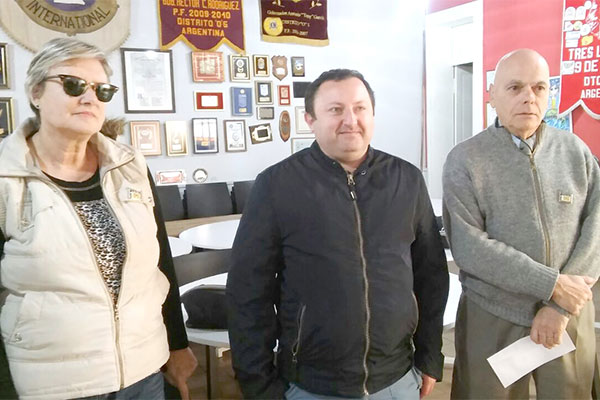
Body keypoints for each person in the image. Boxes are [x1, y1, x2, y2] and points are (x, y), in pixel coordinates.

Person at [227, 69, 449, 399]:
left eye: (360, 108)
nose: (350, 120)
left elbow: (431, 276)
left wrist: (429, 355)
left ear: (372, 115)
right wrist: (258, 385)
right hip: (310, 385)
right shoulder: (276, 186)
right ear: (310, 120)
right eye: (335, 110)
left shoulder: (407, 180)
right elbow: (247, 291)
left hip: (397, 380)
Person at [0, 38, 197, 399]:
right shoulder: (6, 176)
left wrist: (176, 343)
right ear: (35, 92)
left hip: (143, 371)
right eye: (74, 85)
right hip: (55, 383)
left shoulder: (130, 166)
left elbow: (159, 264)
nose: (90, 98)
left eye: (102, 90)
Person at [443, 48, 600, 399]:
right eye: (515, 87)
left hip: (567, 315)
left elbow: (597, 225)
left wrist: (559, 305)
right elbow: (470, 246)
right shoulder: (465, 160)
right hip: (494, 313)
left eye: (539, 88)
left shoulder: (575, 152)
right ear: (492, 95)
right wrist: (551, 285)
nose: (529, 98)